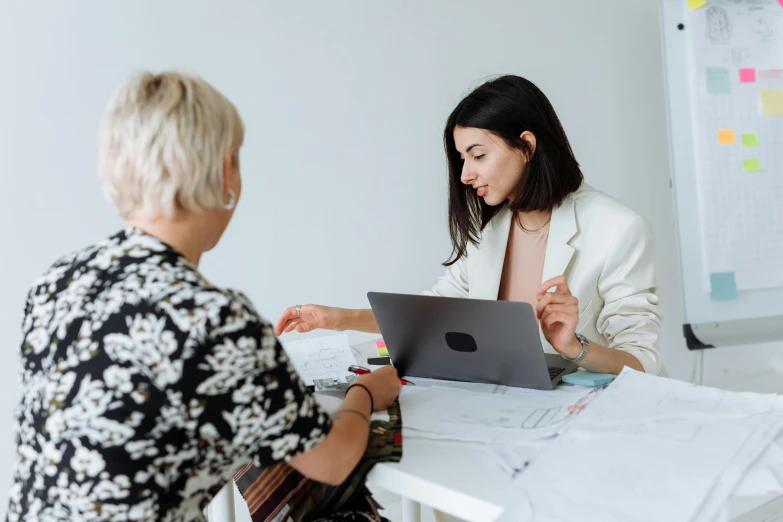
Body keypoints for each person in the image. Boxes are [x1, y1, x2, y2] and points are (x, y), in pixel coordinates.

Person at [7, 70, 400, 522]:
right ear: (224, 169)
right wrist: (366, 390)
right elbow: (331, 461)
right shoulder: (213, 319)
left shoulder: (58, 282)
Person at [276, 75, 664, 378]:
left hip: (589, 423)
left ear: (526, 146)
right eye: (462, 158)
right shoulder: (491, 230)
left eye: (477, 155)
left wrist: (573, 347)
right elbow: (434, 312)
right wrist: (337, 319)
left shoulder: (618, 229)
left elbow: (643, 362)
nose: (464, 174)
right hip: (505, 411)